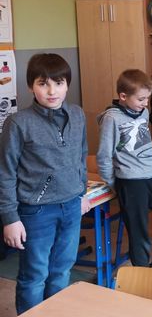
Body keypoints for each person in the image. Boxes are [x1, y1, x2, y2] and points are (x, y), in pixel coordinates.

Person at [0, 54, 89, 314]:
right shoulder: (18, 122)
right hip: (36, 211)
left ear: (67, 84)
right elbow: (5, 172)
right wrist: (10, 218)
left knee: (62, 270)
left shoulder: (77, 114)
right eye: (43, 83)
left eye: (58, 83)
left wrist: (82, 192)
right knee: (34, 275)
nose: (52, 91)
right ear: (31, 86)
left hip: (71, 206)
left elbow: (81, 156)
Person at [96, 69, 152, 270]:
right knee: (139, 233)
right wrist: (114, 184)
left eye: (147, 98)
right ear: (123, 96)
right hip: (130, 182)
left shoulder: (143, 112)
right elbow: (104, 155)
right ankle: (142, 274)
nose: (145, 103)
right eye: (140, 99)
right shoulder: (112, 118)